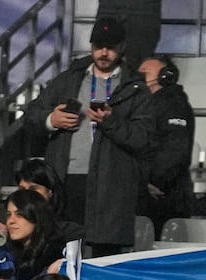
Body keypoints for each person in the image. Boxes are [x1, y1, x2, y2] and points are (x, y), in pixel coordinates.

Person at [24, 18, 155, 256]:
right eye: (99, 45)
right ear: (91, 45)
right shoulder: (68, 79)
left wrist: (111, 122)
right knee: (60, 253)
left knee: (103, 255)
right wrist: (51, 120)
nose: (104, 52)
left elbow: (143, 139)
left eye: (111, 46)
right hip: (65, 180)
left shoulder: (135, 88)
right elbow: (31, 114)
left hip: (110, 185)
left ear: (122, 47)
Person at [136, 55, 196, 233]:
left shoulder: (174, 103)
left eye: (145, 72)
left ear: (166, 75)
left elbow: (175, 149)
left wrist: (153, 181)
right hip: (144, 190)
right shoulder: (142, 103)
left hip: (164, 196)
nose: (139, 75)